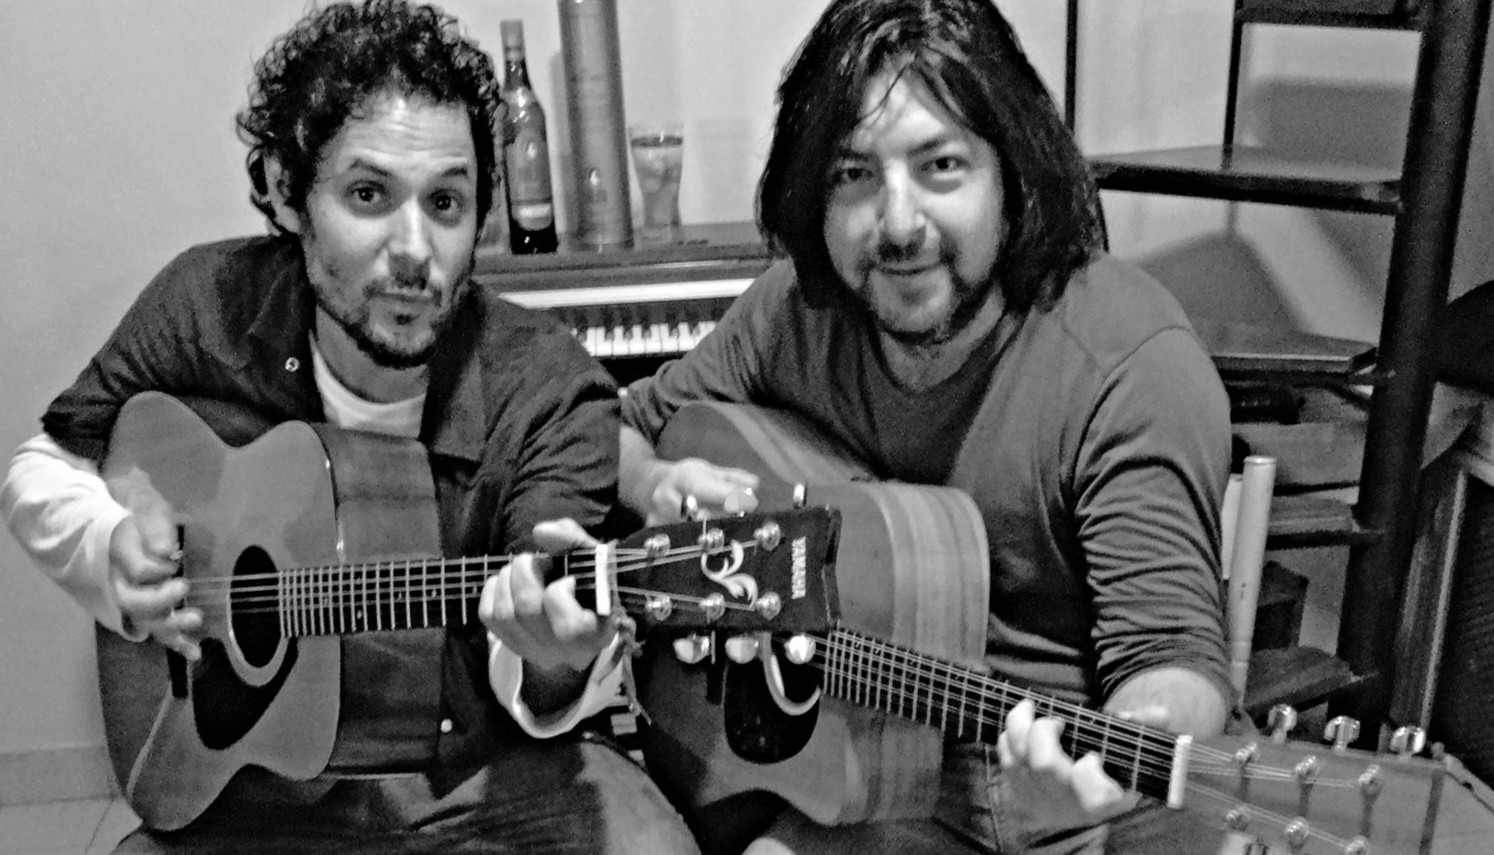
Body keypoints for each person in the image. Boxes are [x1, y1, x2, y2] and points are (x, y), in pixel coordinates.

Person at [0, 2, 698, 853]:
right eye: (368, 195)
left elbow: (546, 590)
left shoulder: (547, 383)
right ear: (287, 192)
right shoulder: (207, 304)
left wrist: (553, 651)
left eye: (446, 202)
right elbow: (43, 466)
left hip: (481, 775)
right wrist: (107, 548)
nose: (414, 249)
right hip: (250, 792)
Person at [617, 0, 1235, 853]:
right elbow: (617, 432)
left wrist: (1110, 762)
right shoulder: (795, 313)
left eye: (941, 165)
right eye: (853, 174)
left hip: (1070, 804)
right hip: (866, 773)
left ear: (1012, 175)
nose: (899, 223)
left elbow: (1173, 661)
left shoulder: (1127, 361)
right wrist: (653, 483)